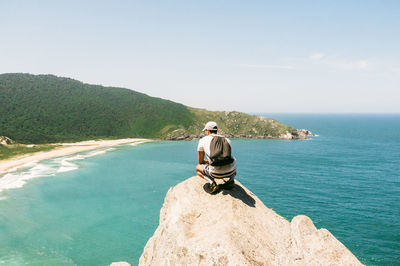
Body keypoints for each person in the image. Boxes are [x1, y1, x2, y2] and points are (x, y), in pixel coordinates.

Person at [196, 121, 236, 194]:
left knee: (198, 168)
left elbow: (200, 161)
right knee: (234, 159)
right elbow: (227, 157)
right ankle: (231, 181)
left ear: (207, 130)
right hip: (231, 172)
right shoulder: (227, 140)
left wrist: (207, 162)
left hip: (215, 173)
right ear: (216, 130)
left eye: (205, 130)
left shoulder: (203, 140)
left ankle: (212, 183)